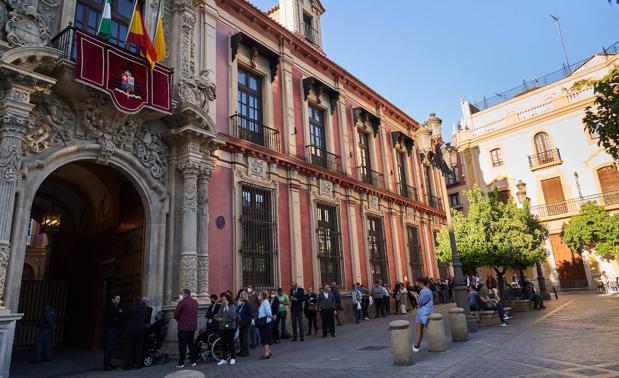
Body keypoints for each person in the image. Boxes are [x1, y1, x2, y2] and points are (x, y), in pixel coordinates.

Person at [174, 288, 199, 368]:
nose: (181, 295)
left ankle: (181, 363)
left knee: (182, 345)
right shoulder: (195, 302)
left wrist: (180, 321)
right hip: (192, 327)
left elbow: (176, 315)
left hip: (183, 327)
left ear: (185, 293)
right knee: (191, 344)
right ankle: (193, 361)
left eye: (181, 293)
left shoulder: (182, 302)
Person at [124, 297, 149, 370]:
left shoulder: (131, 307)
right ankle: (138, 365)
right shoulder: (144, 308)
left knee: (129, 348)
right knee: (139, 348)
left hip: (131, 330)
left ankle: (127, 365)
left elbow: (125, 315)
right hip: (140, 330)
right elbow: (146, 317)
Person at [216, 294, 238, 365]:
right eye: (222, 299)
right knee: (223, 343)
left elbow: (233, 316)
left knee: (231, 343)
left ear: (228, 300)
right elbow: (217, 315)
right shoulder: (221, 307)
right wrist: (218, 318)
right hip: (223, 327)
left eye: (224, 299)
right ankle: (224, 359)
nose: (223, 301)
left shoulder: (232, 307)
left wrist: (227, 307)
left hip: (230, 327)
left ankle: (233, 358)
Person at [413, 278, 433, 352]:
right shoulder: (428, 290)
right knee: (422, 329)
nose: (417, 284)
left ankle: (416, 346)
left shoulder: (424, 290)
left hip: (423, 312)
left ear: (422, 283)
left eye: (418, 283)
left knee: (419, 329)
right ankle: (417, 346)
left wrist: (416, 296)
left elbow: (420, 302)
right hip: (427, 310)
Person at [103, 294, 122, 370]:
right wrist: (119, 311)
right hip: (111, 329)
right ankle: (106, 365)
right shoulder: (111, 307)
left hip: (114, 329)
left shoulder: (116, 307)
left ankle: (109, 364)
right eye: (117, 299)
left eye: (119, 299)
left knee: (111, 347)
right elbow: (119, 314)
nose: (118, 300)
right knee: (109, 347)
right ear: (112, 299)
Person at [257, 290, 273, 359]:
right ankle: (268, 351)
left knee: (265, 337)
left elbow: (268, 312)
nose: (259, 296)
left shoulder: (265, 302)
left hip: (265, 322)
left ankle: (266, 353)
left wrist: (272, 317)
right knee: (265, 336)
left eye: (260, 295)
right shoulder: (263, 302)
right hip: (263, 321)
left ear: (263, 296)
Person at [237, 292, 253, 357]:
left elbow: (250, 315)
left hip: (245, 323)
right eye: (239, 297)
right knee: (241, 337)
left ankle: (246, 352)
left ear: (244, 297)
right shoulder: (241, 305)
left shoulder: (248, 305)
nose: (239, 298)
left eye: (241, 297)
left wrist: (246, 322)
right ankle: (241, 350)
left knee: (245, 338)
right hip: (240, 323)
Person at [246, 284, 260, 349]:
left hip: (254, 313)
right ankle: (254, 342)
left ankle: (253, 343)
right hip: (248, 313)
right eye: (248, 287)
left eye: (249, 287)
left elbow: (259, 303)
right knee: (252, 328)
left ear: (253, 288)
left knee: (252, 327)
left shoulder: (256, 295)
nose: (248, 288)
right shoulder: (247, 295)